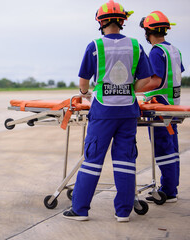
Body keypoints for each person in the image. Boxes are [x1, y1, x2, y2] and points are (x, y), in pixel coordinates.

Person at [62, 0, 153, 222]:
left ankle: (80, 209)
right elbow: (147, 79)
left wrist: (85, 92)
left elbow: (84, 80)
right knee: (125, 160)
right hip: (128, 112)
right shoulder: (135, 46)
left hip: (103, 111)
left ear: (100, 22)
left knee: (93, 159)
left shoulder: (95, 46)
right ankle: (123, 212)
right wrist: (130, 88)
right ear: (122, 21)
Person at [139, 11, 185, 203]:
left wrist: (134, 89)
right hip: (173, 105)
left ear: (148, 32)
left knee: (163, 148)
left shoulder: (157, 52)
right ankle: (171, 186)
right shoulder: (174, 50)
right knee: (171, 147)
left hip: (160, 106)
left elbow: (156, 81)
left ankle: (168, 191)